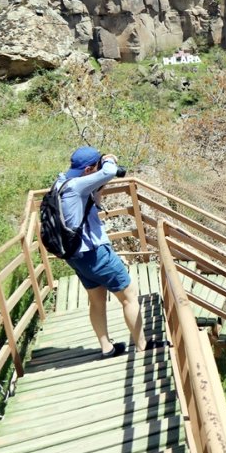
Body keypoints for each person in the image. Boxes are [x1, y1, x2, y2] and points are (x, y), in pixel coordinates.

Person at [57, 147, 149, 357]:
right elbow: (108, 172)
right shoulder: (77, 185)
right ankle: (143, 345)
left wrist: (99, 183)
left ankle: (107, 348)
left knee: (97, 300)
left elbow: (92, 200)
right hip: (95, 253)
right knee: (129, 296)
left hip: (77, 256)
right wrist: (109, 160)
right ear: (89, 169)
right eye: (96, 168)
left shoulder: (62, 181)